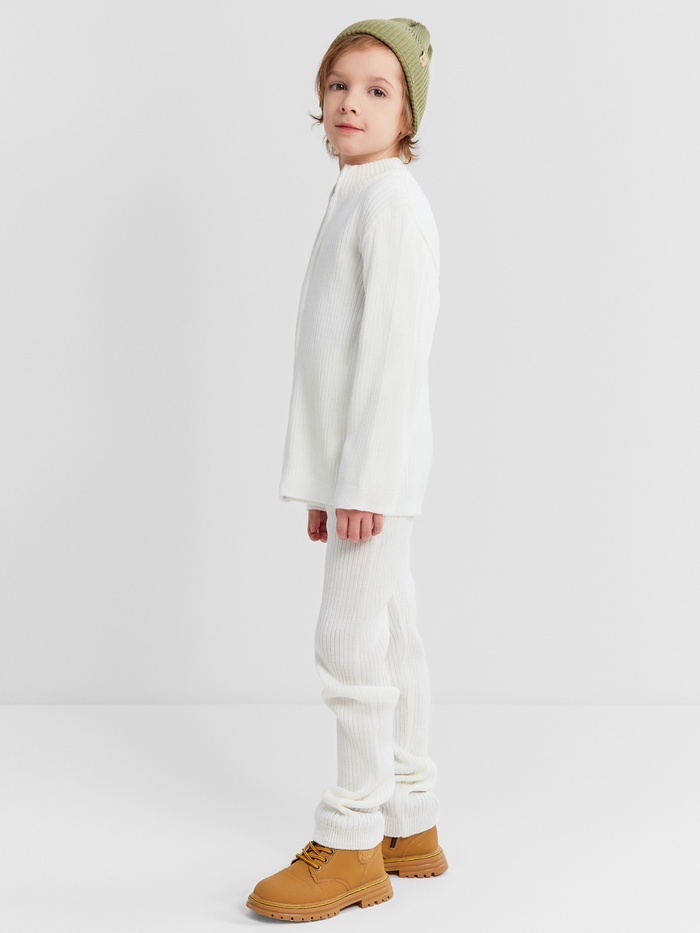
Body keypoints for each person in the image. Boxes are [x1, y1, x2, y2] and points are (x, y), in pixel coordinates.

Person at [246, 18, 447, 922]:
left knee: (347, 642)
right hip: (362, 469)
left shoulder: (392, 205)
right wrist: (329, 480)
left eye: (377, 90)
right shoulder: (358, 196)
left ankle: (354, 834)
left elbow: (392, 360)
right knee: (391, 633)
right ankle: (411, 818)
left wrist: (363, 480)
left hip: (381, 467)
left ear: (408, 116)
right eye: (338, 86)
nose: (351, 104)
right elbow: (333, 357)